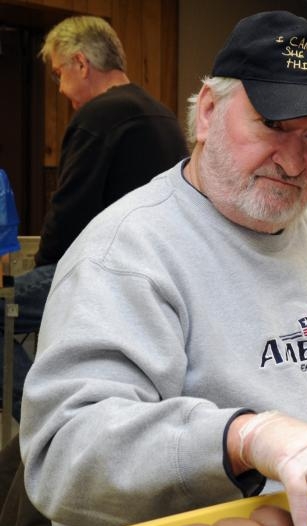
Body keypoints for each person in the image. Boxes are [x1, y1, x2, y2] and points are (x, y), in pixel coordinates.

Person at [20, 11, 307, 526]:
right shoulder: (125, 254)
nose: (292, 160)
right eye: (272, 125)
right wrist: (245, 438)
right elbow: (64, 460)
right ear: (208, 111)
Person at [0, 16, 189, 421]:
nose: (61, 89)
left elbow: (71, 212)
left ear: (81, 64)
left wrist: (41, 271)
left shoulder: (97, 117)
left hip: (106, 270)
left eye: (58, 74)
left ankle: (47, 419)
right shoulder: (161, 113)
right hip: (165, 269)